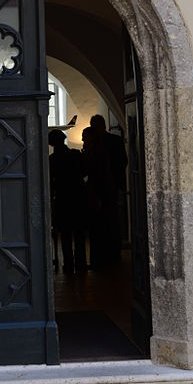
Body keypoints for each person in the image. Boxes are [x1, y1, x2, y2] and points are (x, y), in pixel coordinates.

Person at [82, 115, 127, 266]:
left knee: (109, 223)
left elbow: (120, 163)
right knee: (107, 223)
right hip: (107, 188)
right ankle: (109, 256)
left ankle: (109, 255)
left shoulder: (102, 148)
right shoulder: (106, 144)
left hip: (106, 189)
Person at [48, 129, 88, 274]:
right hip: (77, 198)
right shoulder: (75, 155)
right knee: (79, 234)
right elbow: (84, 172)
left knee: (65, 235)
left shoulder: (51, 160)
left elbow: (51, 183)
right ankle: (81, 264)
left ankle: (69, 265)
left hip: (62, 200)